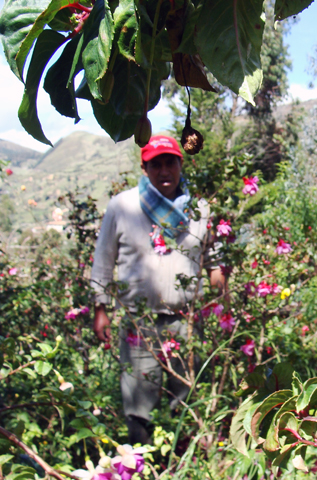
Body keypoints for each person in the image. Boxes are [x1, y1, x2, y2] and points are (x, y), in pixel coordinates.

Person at [91, 135, 224, 445]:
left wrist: (223, 307)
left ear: (181, 164)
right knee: (137, 401)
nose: (164, 171)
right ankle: (139, 463)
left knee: (186, 396)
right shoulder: (122, 206)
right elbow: (103, 260)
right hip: (140, 322)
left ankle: (185, 464)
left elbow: (215, 263)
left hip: (185, 321)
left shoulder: (199, 210)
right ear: (145, 168)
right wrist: (101, 309)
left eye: (170, 163)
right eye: (156, 165)